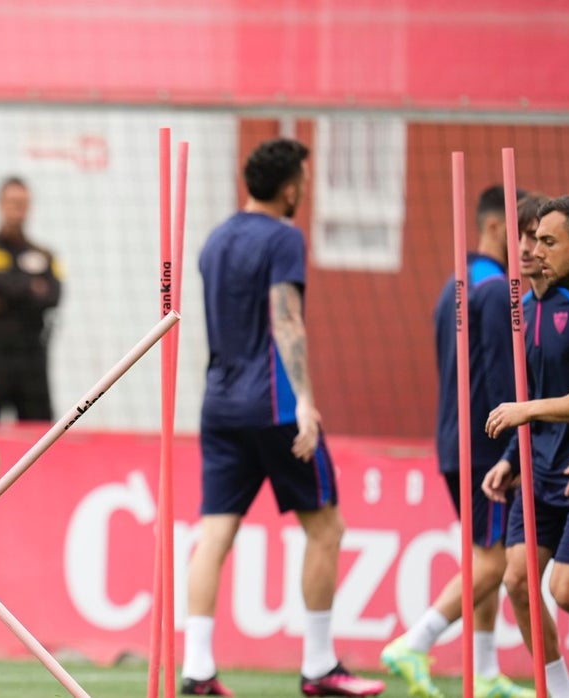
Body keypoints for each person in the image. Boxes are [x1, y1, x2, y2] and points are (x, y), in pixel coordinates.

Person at [182, 138, 384, 697]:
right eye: (305, 183)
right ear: (291, 189)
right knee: (326, 528)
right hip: (273, 405)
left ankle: (197, 669)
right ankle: (319, 666)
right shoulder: (284, 238)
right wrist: (305, 403)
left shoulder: (216, 239)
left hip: (218, 404)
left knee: (214, 534)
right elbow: (286, 319)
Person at [381, 184, 532, 698]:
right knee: (495, 560)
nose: (531, 247)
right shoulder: (496, 290)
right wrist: (515, 449)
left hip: (454, 439)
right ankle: (416, 642)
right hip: (488, 445)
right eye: (524, 234)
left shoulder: (456, 285)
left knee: (483, 552)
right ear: (495, 227)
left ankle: (485, 672)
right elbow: (503, 380)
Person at [480, 193, 569, 698]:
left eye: (544, 240)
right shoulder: (523, 310)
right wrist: (510, 458)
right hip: (538, 467)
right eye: (527, 239)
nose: (532, 250)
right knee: (521, 582)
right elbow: (534, 393)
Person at [0, 176, 63, 422]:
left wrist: (1, 295)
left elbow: (53, 296)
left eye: (22, 203)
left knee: (40, 432)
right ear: (0, 204)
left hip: (31, 356)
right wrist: (29, 287)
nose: (16, 209)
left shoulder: (44, 255)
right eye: (11, 202)